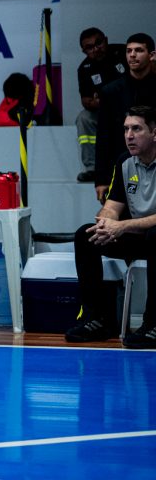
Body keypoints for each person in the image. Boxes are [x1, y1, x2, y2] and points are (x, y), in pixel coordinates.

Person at [65, 105, 156, 348]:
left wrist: (122, 226)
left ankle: (153, 324)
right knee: (86, 236)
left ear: (154, 133)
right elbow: (112, 206)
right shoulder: (125, 162)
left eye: (136, 129)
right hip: (137, 235)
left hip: (152, 234)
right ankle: (96, 319)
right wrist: (105, 223)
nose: (129, 135)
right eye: (126, 129)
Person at [94, 33, 156, 202]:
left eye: (139, 50)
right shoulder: (111, 91)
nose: (132, 55)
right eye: (129, 51)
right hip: (121, 166)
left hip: (154, 165)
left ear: (152, 55)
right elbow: (103, 136)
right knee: (116, 215)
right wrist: (101, 179)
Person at [75, 28, 127, 182]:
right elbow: (85, 100)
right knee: (84, 118)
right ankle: (92, 169)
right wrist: (94, 103)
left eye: (99, 43)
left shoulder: (123, 52)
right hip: (105, 110)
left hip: (131, 106)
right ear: (84, 51)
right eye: (90, 47)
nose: (96, 49)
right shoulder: (84, 68)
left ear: (106, 40)